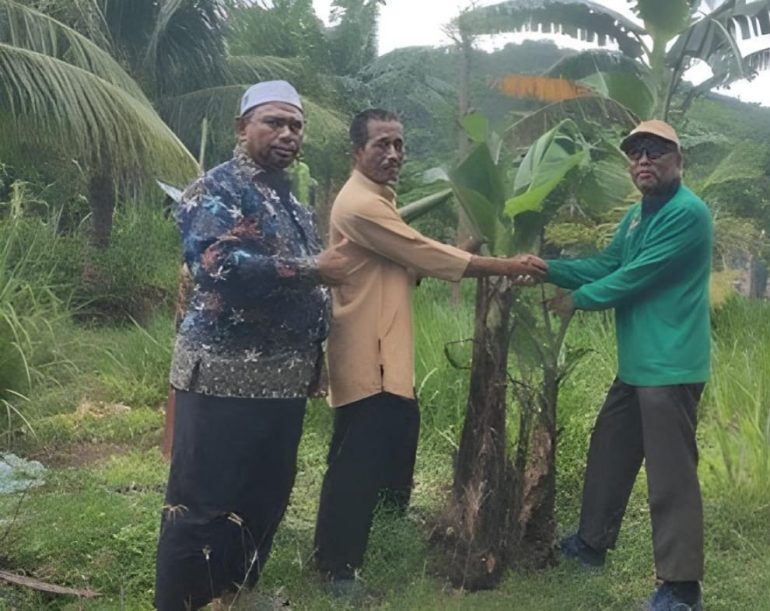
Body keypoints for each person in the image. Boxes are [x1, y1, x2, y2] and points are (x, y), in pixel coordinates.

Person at [313, 108, 548, 593]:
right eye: (382, 144)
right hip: (367, 351)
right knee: (355, 462)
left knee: (395, 443)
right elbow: (424, 254)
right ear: (357, 151)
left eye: (399, 144)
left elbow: (403, 263)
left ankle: (381, 537)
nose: (394, 154)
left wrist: (456, 251)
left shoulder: (380, 200)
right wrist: (505, 265)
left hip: (386, 351)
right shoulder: (360, 204)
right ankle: (338, 567)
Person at [154, 80, 351, 610]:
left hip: (281, 382)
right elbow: (215, 266)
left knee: (262, 501)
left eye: (296, 125)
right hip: (221, 380)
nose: (288, 134)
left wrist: (314, 360)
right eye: (274, 122)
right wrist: (314, 267)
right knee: (200, 507)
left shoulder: (288, 197)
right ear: (242, 127)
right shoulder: (214, 189)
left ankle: (232, 597)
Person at [545, 120, 712, 611]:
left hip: (672, 365)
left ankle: (681, 588)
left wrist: (576, 299)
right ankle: (591, 544)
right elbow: (608, 263)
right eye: (636, 152)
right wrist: (544, 268)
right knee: (610, 449)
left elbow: (635, 277)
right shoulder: (637, 217)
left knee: (671, 475)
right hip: (639, 363)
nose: (643, 160)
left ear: (678, 159)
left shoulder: (688, 214)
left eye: (656, 151)